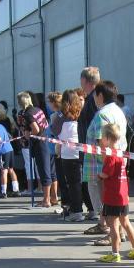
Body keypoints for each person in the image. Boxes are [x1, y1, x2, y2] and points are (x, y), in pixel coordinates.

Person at [87, 80, 128, 247]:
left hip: (102, 164)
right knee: (116, 201)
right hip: (118, 160)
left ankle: (112, 234)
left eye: (95, 95)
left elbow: (101, 142)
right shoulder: (118, 111)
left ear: (100, 95)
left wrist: (104, 167)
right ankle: (116, 231)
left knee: (106, 201)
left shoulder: (102, 114)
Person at [96, 123, 134, 263]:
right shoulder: (121, 154)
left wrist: (99, 175)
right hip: (122, 194)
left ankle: (115, 253)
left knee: (113, 225)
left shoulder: (110, 156)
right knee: (126, 222)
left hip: (112, 196)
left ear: (107, 138)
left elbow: (106, 173)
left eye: (103, 137)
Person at [17, 91, 54, 208]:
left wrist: (28, 135)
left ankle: (46, 199)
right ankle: (51, 198)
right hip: (47, 140)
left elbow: (36, 129)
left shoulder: (28, 113)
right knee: (50, 171)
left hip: (40, 143)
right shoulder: (38, 109)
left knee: (44, 171)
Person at [56, 88, 84, 221]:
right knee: (81, 183)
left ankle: (76, 211)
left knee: (73, 184)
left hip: (68, 154)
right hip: (80, 151)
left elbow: (56, 132)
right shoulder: (81, 114)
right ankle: (90, 210)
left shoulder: (62, 117)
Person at [78, 66, 101, 220]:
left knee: (95, 185)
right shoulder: (92, 97)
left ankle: (103, 220)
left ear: (85, 80)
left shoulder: (94, 99)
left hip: (94, 151)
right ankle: (102, 219)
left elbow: (97, 124)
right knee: (93, 185)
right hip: (90, 149)